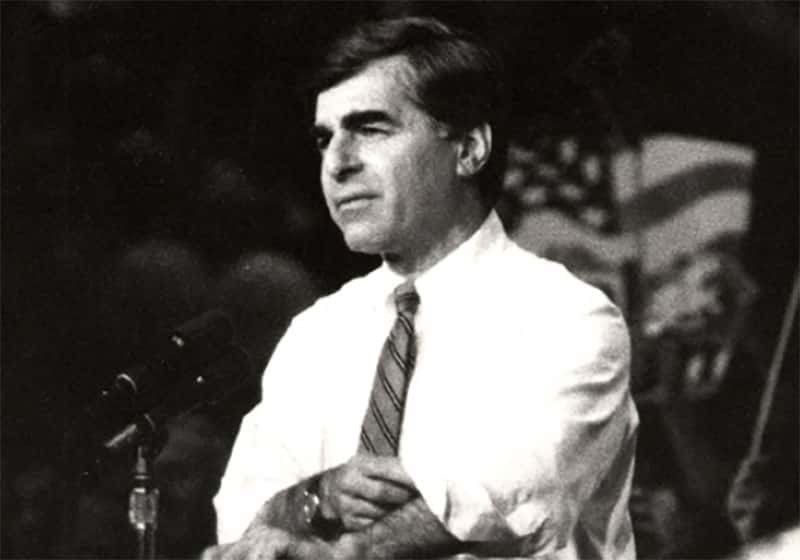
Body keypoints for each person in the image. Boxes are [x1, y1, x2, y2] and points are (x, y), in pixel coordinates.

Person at [206, 16, 638, 560]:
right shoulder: (316, 334)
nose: (337, 164)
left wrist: (345, 554)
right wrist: (314, 498)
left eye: (370, 128)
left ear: (469, 149)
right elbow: (242, 518)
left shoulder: (568, 319)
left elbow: (515, 495)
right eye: (325, 138)